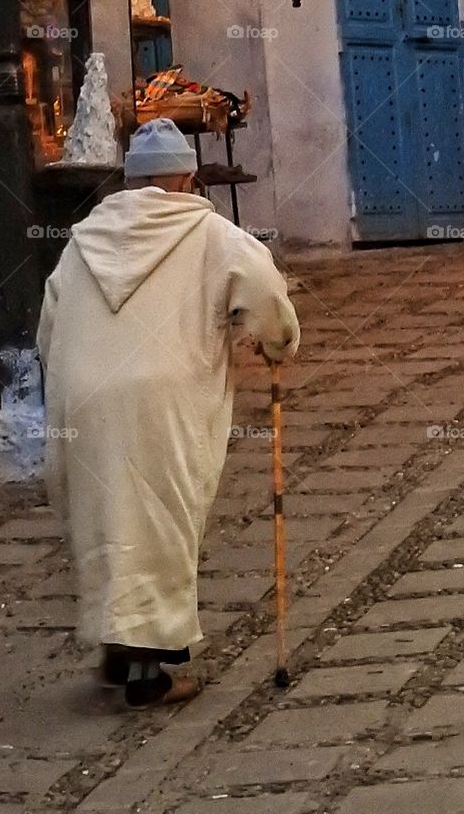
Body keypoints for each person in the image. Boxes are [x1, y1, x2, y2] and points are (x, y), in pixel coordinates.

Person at [36, 118, 299, 709]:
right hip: (161, 397)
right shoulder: (208, 231)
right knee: (161, 518)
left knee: (107, 516)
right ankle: (154, 671)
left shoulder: (83, 238)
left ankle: (118, 644)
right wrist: (278, 339)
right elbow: (261, 284)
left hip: (80, 394)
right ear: (186, 178)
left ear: (128, 182)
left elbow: (49, 326)